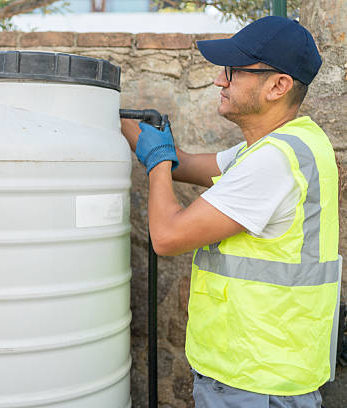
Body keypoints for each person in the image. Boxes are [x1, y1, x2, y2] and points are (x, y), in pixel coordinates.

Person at [120, 16, 339, 408]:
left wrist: (157, 163)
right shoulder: (290, 143)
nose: (220, 81)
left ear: (278, 86)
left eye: (233, 71)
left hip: (254, 381)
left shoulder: (273, 162)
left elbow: (166, 237)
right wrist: (120, 120)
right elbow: (184, 164)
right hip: (265, 370)